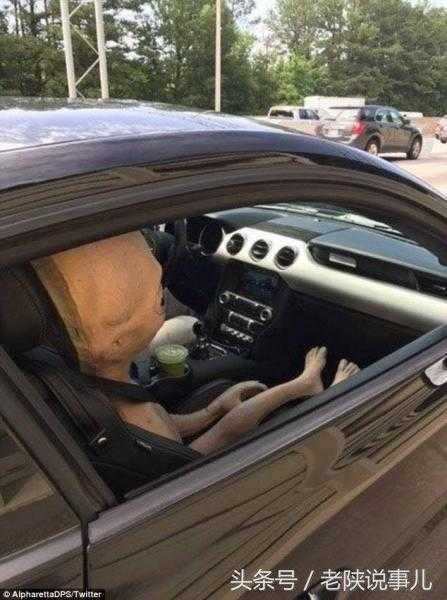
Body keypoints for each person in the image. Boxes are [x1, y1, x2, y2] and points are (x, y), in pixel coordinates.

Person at [32, 231, 359, 455]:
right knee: (248, 417)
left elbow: (168, 427)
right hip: (194, 466)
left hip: (163, 443)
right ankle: (310, 389)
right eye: (158, 298)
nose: (163, 295)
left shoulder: (85, 382)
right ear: (118, 342)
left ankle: (302, 385)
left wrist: (212, 409)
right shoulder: (139, 418)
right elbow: (220, 437)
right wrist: (223, 417)